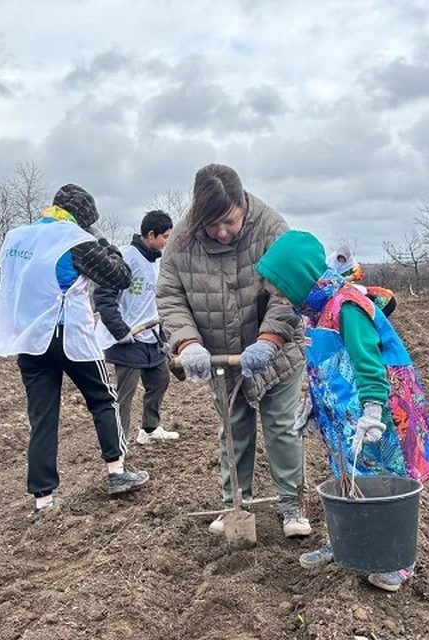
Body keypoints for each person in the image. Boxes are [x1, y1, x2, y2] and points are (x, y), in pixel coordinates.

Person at [256, 230, 429, 592]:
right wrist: (312, 404)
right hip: (341, 414)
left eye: (278, 288)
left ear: (296, 279)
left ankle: (396, 560)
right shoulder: (316, 312)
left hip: (376, 409)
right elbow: (322, 365)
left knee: (384, 479)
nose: (275, 295)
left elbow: (368, 361)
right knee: (346, 474)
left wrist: (372, 410)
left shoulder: (347, 307)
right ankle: (346, 543)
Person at [157, 163, 311, 538]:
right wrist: (188, 344)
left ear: (243, 203)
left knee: (281, 427)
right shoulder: (182, 240)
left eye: (230, 221)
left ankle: (292, 506)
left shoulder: (271, 228)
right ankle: (233, 506)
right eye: (213, 225)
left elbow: (290, 290)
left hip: (275, 354)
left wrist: (269, 339)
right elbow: (170, 296)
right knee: (233, 430)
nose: (223, 232)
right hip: (221, 357)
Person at [0, 184, 149, 520]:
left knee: (42, 418)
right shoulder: (76, 241)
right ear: (85, 219)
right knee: (103, 400)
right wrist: (104, 243)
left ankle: (43, 500)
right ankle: (117, 471)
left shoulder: (19, 237)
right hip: (70, 337)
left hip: (32, 342)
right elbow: (120, 276)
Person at [94, 210, 178, 444]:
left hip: (151, 337)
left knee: (160, 380)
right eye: (165, 236)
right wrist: (120, 331)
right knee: (125, 395)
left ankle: (149, 429)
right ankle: (119, 446)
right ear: (150, 234)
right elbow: (103, 297)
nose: (167, 242)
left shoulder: (158, 263)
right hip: (127, 338)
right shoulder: (124, 256)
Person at [326, 243, 397, 317]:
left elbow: (358, 274)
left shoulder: (351, 292)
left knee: (376, 322)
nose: (341, 261)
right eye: (340, 258)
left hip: (386, 302)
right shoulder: (331, 265)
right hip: (384, 298)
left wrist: (349, 278)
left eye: (343, 259)